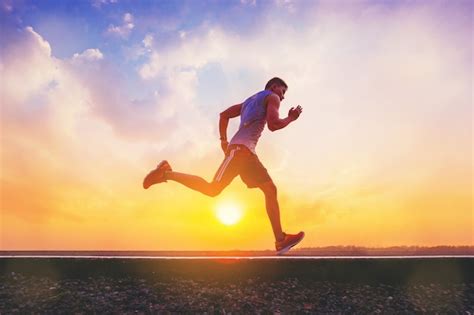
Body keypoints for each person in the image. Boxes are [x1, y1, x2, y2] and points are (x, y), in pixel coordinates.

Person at [143, 77, 304, 255]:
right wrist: (291, 118)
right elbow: (273, 125)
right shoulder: (271, 97)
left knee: (269, 189)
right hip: (240, 152)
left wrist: (223, 140)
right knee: (213, 189)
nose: (282, 98)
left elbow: (224, 115)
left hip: (245, 153)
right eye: (282, 92)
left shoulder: (248, 101)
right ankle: (166, 173)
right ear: (274, 87)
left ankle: (280, 240)